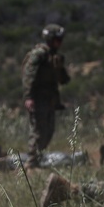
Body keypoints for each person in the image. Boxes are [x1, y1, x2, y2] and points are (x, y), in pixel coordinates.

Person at [22, 24, 71, 167]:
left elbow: (63, 78)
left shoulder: (53, 56)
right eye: (58, 39)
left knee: (48, 131)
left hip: (49, 99)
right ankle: (31, 164)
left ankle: (36, 159)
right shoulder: (39, 54)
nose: (60, 42)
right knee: (38, 131)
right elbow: (29, 75)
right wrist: (29, 97)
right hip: (38, 99)